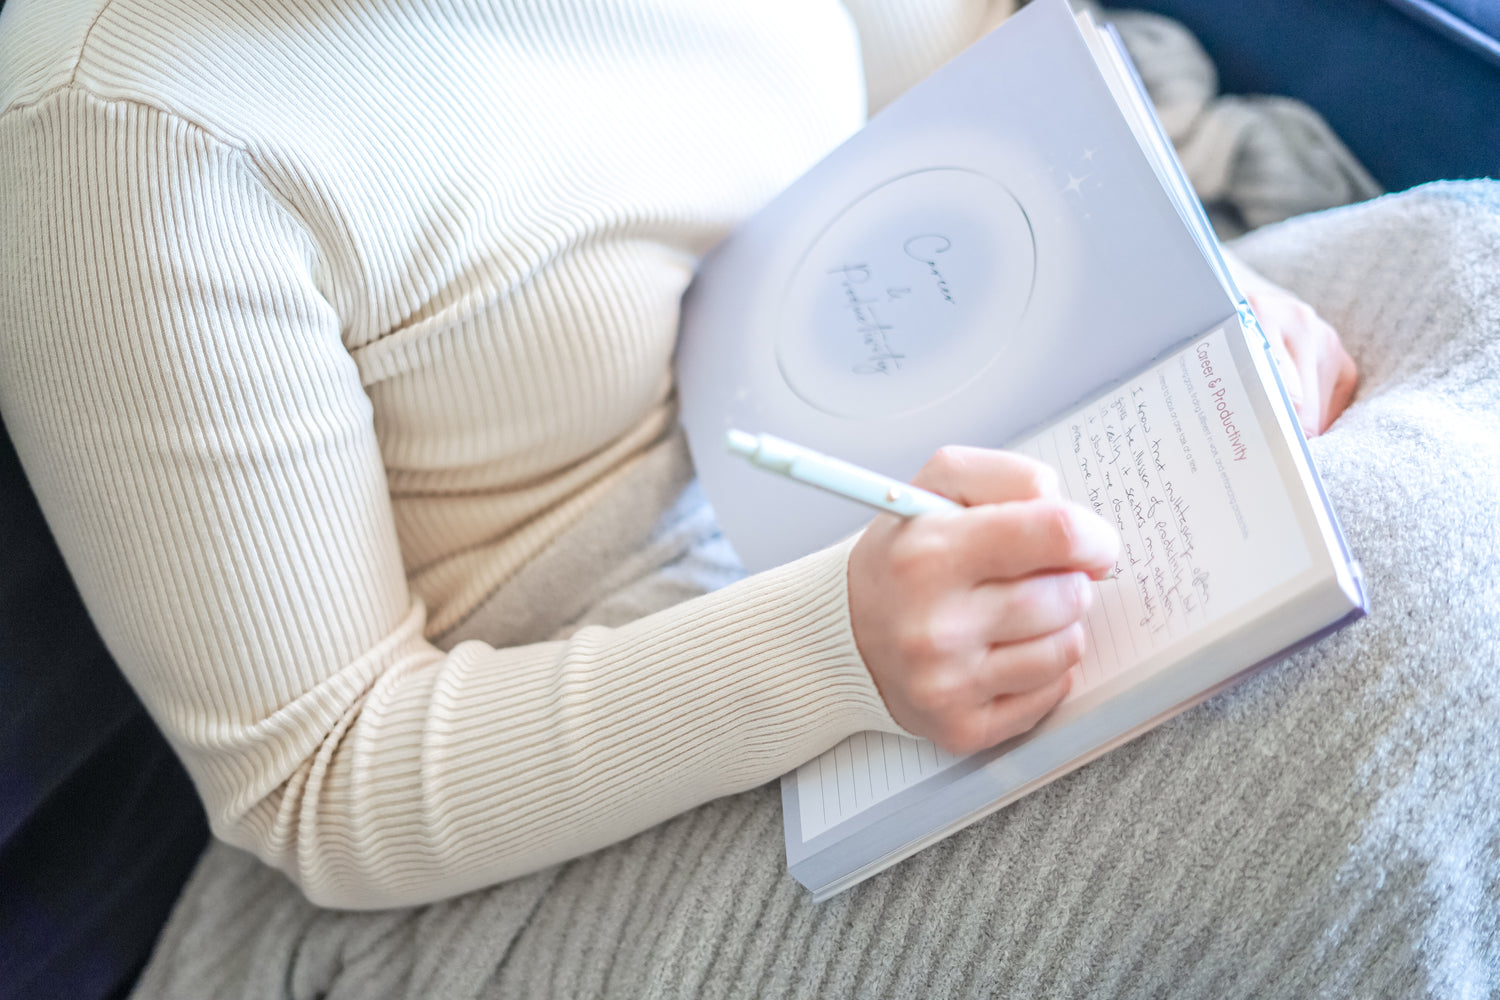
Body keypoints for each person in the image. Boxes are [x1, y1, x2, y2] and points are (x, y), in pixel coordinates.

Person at [4, 0, 1441, 996]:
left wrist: (1177, 275)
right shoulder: (121, 131)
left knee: (1463, 279)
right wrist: (834, 652)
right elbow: (318, 781)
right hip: (578, 764)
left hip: (907, 436)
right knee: (1406, 664)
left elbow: (945, 69)